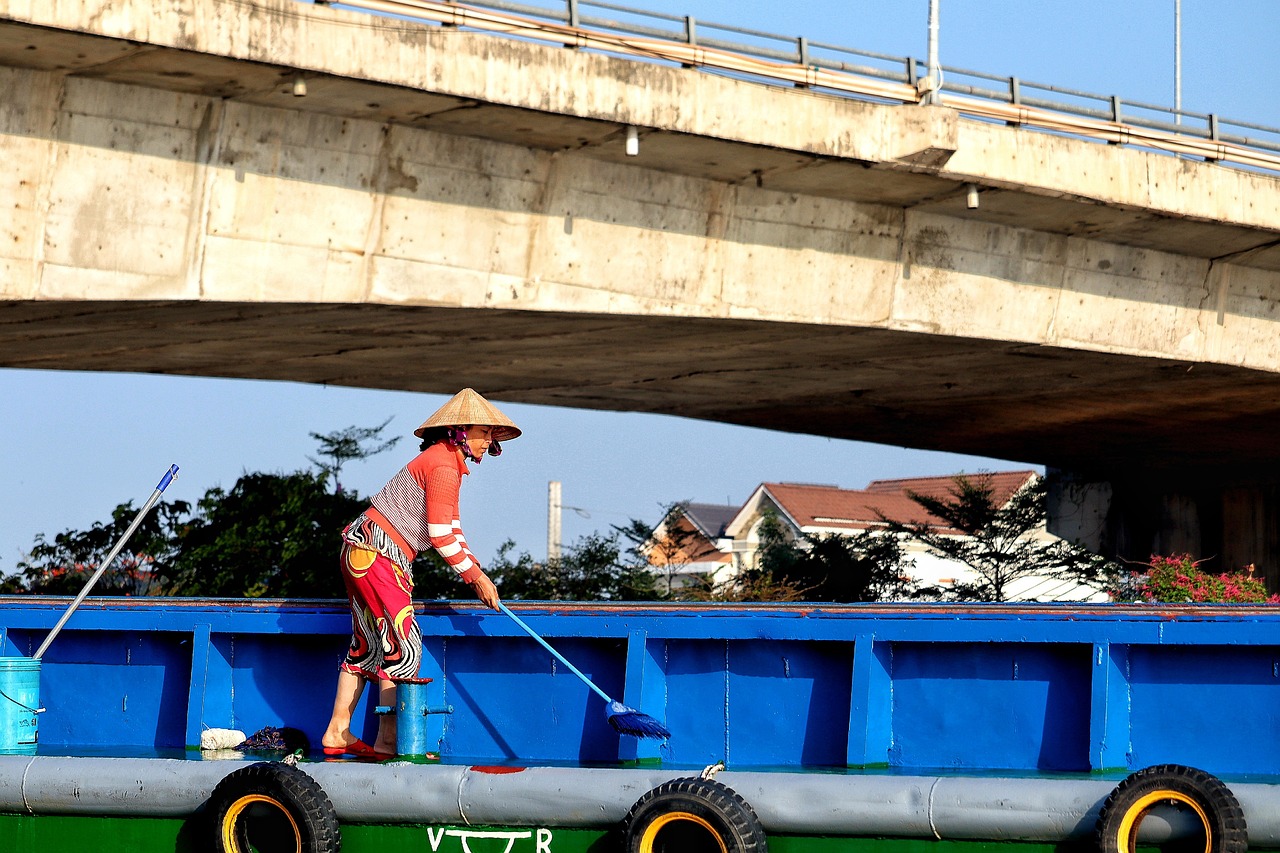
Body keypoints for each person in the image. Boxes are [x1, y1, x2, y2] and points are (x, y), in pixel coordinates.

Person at [320, 388, 519, 759]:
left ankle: (337, 732)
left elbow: (452, 528)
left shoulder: (444, 461)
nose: (488, 440)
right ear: (459, 430)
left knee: (368, 644)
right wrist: (475, 577)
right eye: (483, 431)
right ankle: (390, 743)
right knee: (403, 645)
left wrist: (477, 572)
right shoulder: (443, 465)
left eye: (491, 433)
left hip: (361, 547)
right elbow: (440, 535)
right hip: (381, 553)